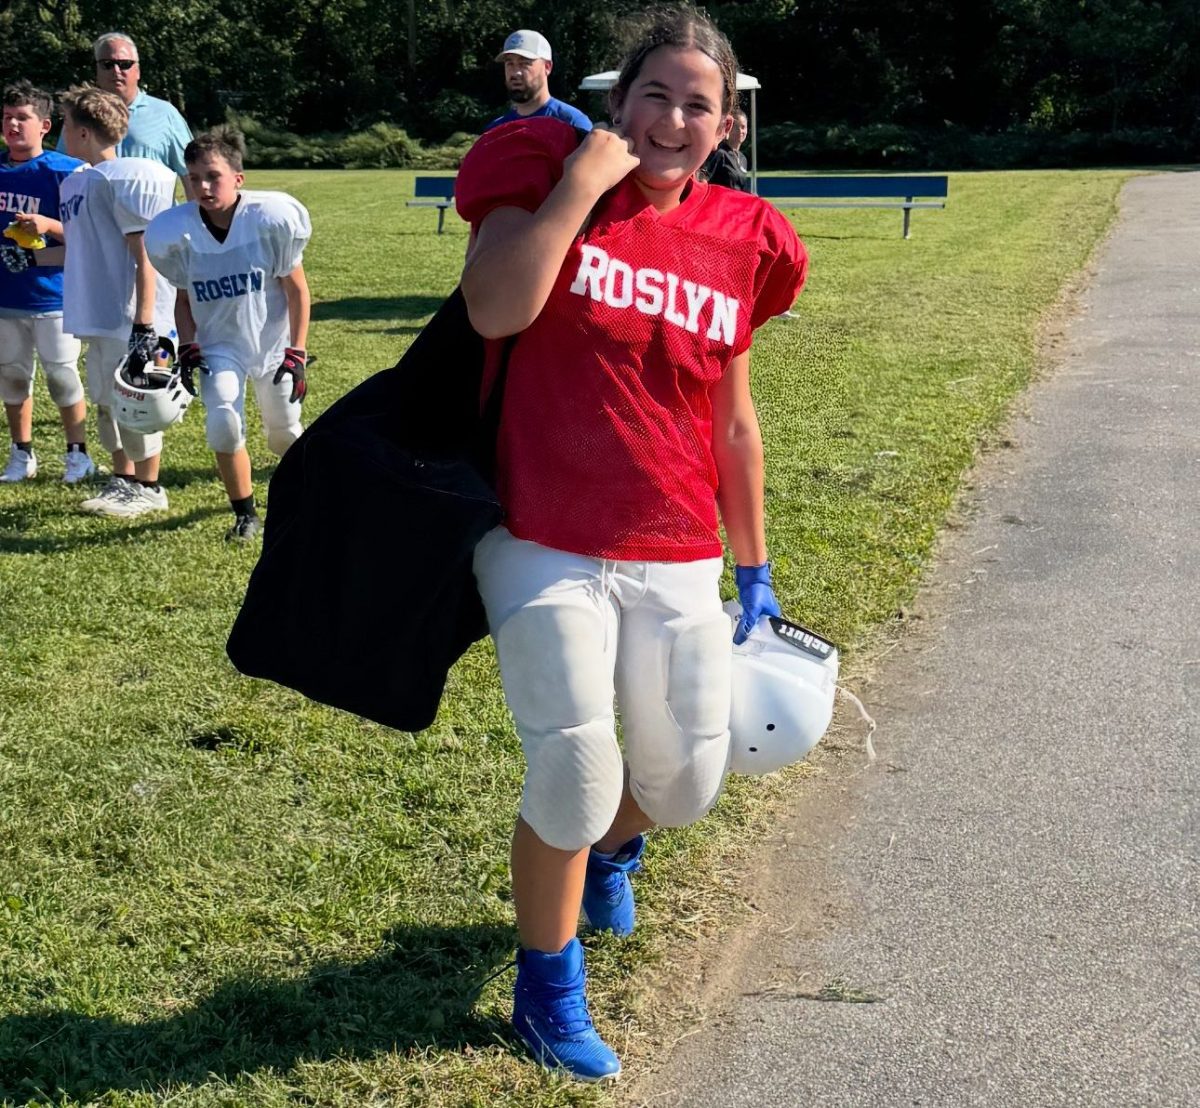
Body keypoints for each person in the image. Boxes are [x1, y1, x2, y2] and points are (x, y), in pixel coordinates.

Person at [456, 2, 807, 1082]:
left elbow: (732, 419)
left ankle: (613, 850)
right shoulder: (540, 169)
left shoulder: (745, 238)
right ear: (619, 103)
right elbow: (495, 309)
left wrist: (753, 564)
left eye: (698, 104)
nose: (672, 117)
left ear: (726, 128)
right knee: (573, 760)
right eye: (653, 93)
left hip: (674, 542)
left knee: (690, 778)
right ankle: (546, 987)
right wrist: (579, 186)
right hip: (543, 532)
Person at [145, 126, 311, 543]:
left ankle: (309, 492)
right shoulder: (178, 232)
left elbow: (297, 290)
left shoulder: (268, 221)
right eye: (194, 177)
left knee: (285, 433)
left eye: (212, 176)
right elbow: (184, 298)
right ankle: (245, 512)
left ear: (238, 177)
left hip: (272, 345)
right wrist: (187, 343)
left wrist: (298, 350)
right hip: (220, 346)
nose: (202, 186)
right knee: (222, 423)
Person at [51, 85, 178, 518]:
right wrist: (31, 255)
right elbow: (83, 247)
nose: (64, 133)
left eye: (67, 124)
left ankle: (150, 486)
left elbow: (145, 255)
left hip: (132, 313)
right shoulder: (80, 181)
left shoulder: (129, 176)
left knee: (138, 401)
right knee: (108, 401)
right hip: (100, 309)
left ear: (84, 132)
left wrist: (145, 324)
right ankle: (123, 479)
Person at [0, 80, 92, 484]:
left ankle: (78, 453)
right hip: (7, 295)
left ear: (45, 125)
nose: (14, 125)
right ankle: (21, 453)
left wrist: (50, 224)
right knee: (12, 374)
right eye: (7, 118)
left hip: (53, 294)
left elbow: (92, 237)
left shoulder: (66, 172)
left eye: (23, 117)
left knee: (62, 374)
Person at [59, 33, 193, 199]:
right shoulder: (78, 115)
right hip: (95, 220)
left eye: (125, 64)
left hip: (152, 221)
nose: (116, 71)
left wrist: (195, 221)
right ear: (97, 70)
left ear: (137, 70)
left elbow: (191, 174)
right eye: (107, 64)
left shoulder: (166, 115)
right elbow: (62, 172)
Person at [484, 29, 592, 133]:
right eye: (510, 64)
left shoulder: (572, 123)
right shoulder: (496, 130)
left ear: (547, 67)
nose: (516, 72)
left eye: (524, 63)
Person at [701, 106, 750, 191]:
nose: (740, 131)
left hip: (736, 203)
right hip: (720, 203)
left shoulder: (743, 159)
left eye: (743, 127)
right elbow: (702, 181)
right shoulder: (719, 153)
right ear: (728, 127)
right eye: (736, 127)